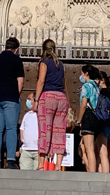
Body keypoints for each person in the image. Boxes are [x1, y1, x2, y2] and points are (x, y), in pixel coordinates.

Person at [0, 37, 24, 169]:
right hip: (10, 97)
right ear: (16, 49)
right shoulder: (16, 60)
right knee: (11, 129)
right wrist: (16, 95)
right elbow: (20, 81)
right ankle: (10, 160)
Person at [34, 39, 68, 171]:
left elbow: (41, 81)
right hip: (61, 97)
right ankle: (58, 165)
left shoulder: (44, 63)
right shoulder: (61, 64)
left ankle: (41, 164)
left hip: (47, 96)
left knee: (45, 130)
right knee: (59, 131)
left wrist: (36, 100)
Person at [76, 64, 101, 173]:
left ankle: (91, 172)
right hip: (97, 117)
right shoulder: (96, 86)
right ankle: (93, 170)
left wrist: (79, 119)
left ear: (86, 74)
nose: (81, 76)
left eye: (82, 73)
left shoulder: (86, 86)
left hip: (88, 116)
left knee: (89, 148)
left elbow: (84, 104)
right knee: (93, 148)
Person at [95, 70, 110, 173]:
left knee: (102, 151)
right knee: (101, 150)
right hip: (107, 123)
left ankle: (104, 175)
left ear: (102, 80)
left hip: (102, 123)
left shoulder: (103, 92)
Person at [19, 93, 40, 170]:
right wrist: (22, 141)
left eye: (29, 99)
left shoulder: (41, 115)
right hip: (26, 151)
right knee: (25, 175)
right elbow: (22, 128)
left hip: (39, 151)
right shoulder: (27, 115)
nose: (27, 101)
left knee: (38, 177)